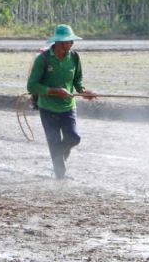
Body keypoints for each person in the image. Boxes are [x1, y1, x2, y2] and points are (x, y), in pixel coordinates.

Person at [26, 24, 97, 179]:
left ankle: (60, 153)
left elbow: (77, 81)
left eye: (72, 40)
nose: (71, 43)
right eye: (68, 41)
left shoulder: (74, 57)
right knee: (59, 166)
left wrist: (84, 92)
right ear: (58, 42)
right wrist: (55, 91)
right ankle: (58, 188)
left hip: (67, 107)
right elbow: (31, 86)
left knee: (73, 138)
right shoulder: (43, 59)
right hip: (48, 108)